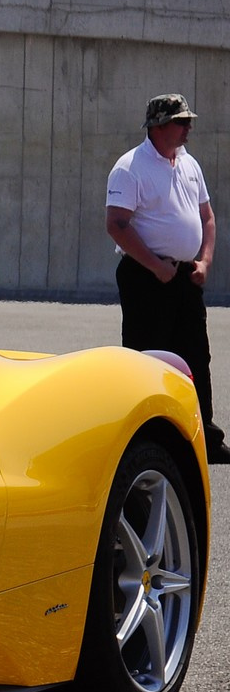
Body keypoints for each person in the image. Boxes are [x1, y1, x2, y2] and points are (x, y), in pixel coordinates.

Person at [105, 93, 229, 463]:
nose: (189, 127)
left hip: (185, 276)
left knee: (196, 357)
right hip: (146, 276)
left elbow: (207, 217)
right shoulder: (130, 167)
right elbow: (116, 224)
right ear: (159, 126)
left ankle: (204, 436)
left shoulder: (189, 164)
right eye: (181, 121)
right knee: (147, 357)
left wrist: (204, 261)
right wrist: (155, 266)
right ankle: (142, 438)